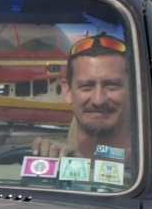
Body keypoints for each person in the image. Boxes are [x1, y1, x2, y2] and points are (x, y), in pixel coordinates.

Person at [32, 30, 136, 175]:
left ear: (133, 91)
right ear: (68, 91)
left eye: (112, 86)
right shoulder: (49, 159)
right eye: (86, 86)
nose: (98, 100)